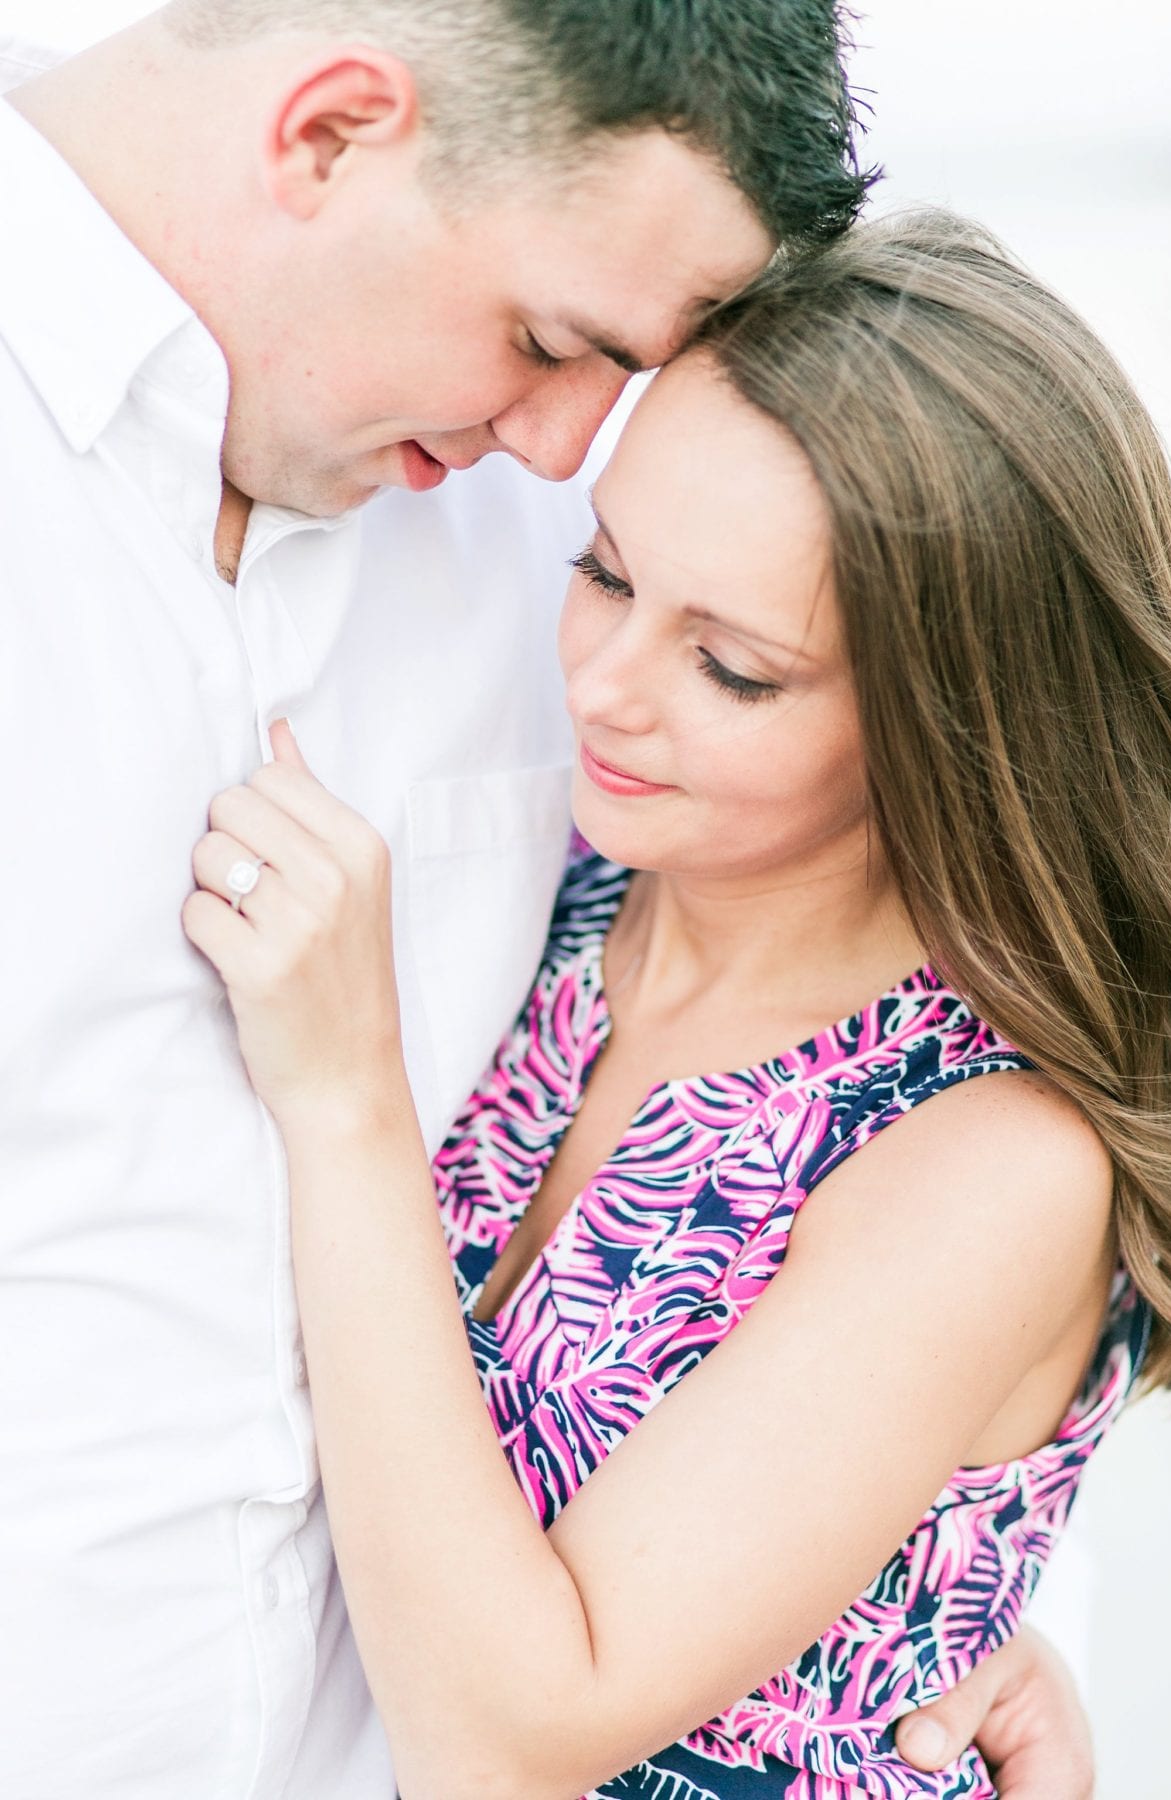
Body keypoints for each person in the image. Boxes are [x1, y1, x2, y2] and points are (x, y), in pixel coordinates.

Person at [0, 1, 1094, 1792]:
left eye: (620, 366)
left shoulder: (557, 521)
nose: (571, 438)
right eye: (545, 340)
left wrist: (909, 1608)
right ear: (332, 134)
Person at [185, 209, 1171, 1799]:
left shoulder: (997, 1153)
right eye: (605, 572)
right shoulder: (574, 898)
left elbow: (503, 1742)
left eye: (732, 668)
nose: (603, 683)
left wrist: (347, 1099)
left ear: (954, 722)